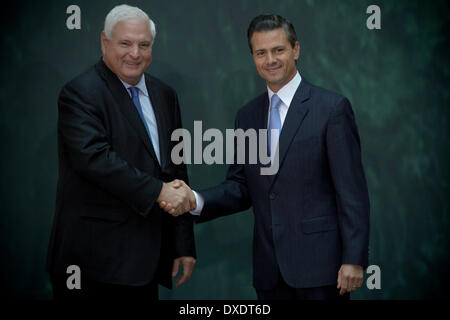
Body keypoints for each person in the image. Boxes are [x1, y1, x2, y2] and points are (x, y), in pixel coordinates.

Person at [161, 14, 370, 300]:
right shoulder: (247, 116)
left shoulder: (331, 109)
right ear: (253, 57)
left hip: (323, 271)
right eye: (261, 53)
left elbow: (352, 192)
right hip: (269, 273)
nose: (270, 59)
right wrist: (195, 200)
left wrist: (354, 259)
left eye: (278, 50)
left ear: (295, 50)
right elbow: (240, 187)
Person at [46, 4, 196, 301]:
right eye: (125, 43)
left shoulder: (165, 95)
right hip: (92, 265)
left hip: (146, 262)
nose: (135, 53)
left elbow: (176, 169)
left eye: (144, 44)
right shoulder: (79, 93)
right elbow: (96, 161)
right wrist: (158, 192)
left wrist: (182, 244)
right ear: (105, 42)